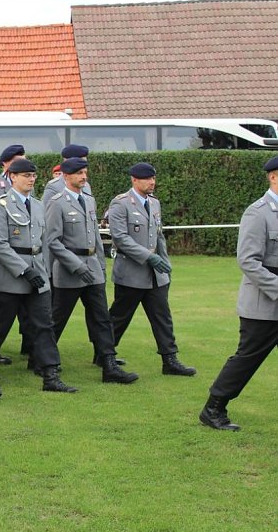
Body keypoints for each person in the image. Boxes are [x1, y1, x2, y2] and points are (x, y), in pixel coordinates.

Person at [0, 158, 78, 393]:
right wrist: (24, 270)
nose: (31, 180)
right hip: (10, 277)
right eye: (26, 175)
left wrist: (42, 270)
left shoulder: (38, 205)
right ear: (12, 177)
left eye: (33, 176)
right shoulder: (0, 204)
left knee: (44, 325)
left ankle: (50, 375)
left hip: (37, 273)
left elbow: (43, 242)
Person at [199, 156, 278, 431]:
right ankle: (213, 408)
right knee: (247, 359)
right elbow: (248, 261)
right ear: (273, 177)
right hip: (264, 302)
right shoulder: (258, 212)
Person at [44, 158, 138, 384]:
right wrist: (75, 266)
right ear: (66, 176)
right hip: (69, 270)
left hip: (92, 267)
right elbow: (53, 241)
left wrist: (100, 264)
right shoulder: (57, 202)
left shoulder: (89, 200)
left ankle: (109, 364)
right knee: (57, 318)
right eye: (78, 173)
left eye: (85, 172)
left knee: (101, 318)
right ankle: (43, 360)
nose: (84, 177)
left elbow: (94, 235)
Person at [107, 163, 196, 376]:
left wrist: (165, 263)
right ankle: (105, 355)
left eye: (154, 178)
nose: (152, 182)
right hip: (131, 273)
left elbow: (159, 236)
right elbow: (120, 238)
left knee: (162, 317)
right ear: (134, 180)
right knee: (119, 317)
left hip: (155, 275)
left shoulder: (154, 204)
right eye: (147, 179)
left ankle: (170, 359)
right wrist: (150, 258)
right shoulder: (120, 204)